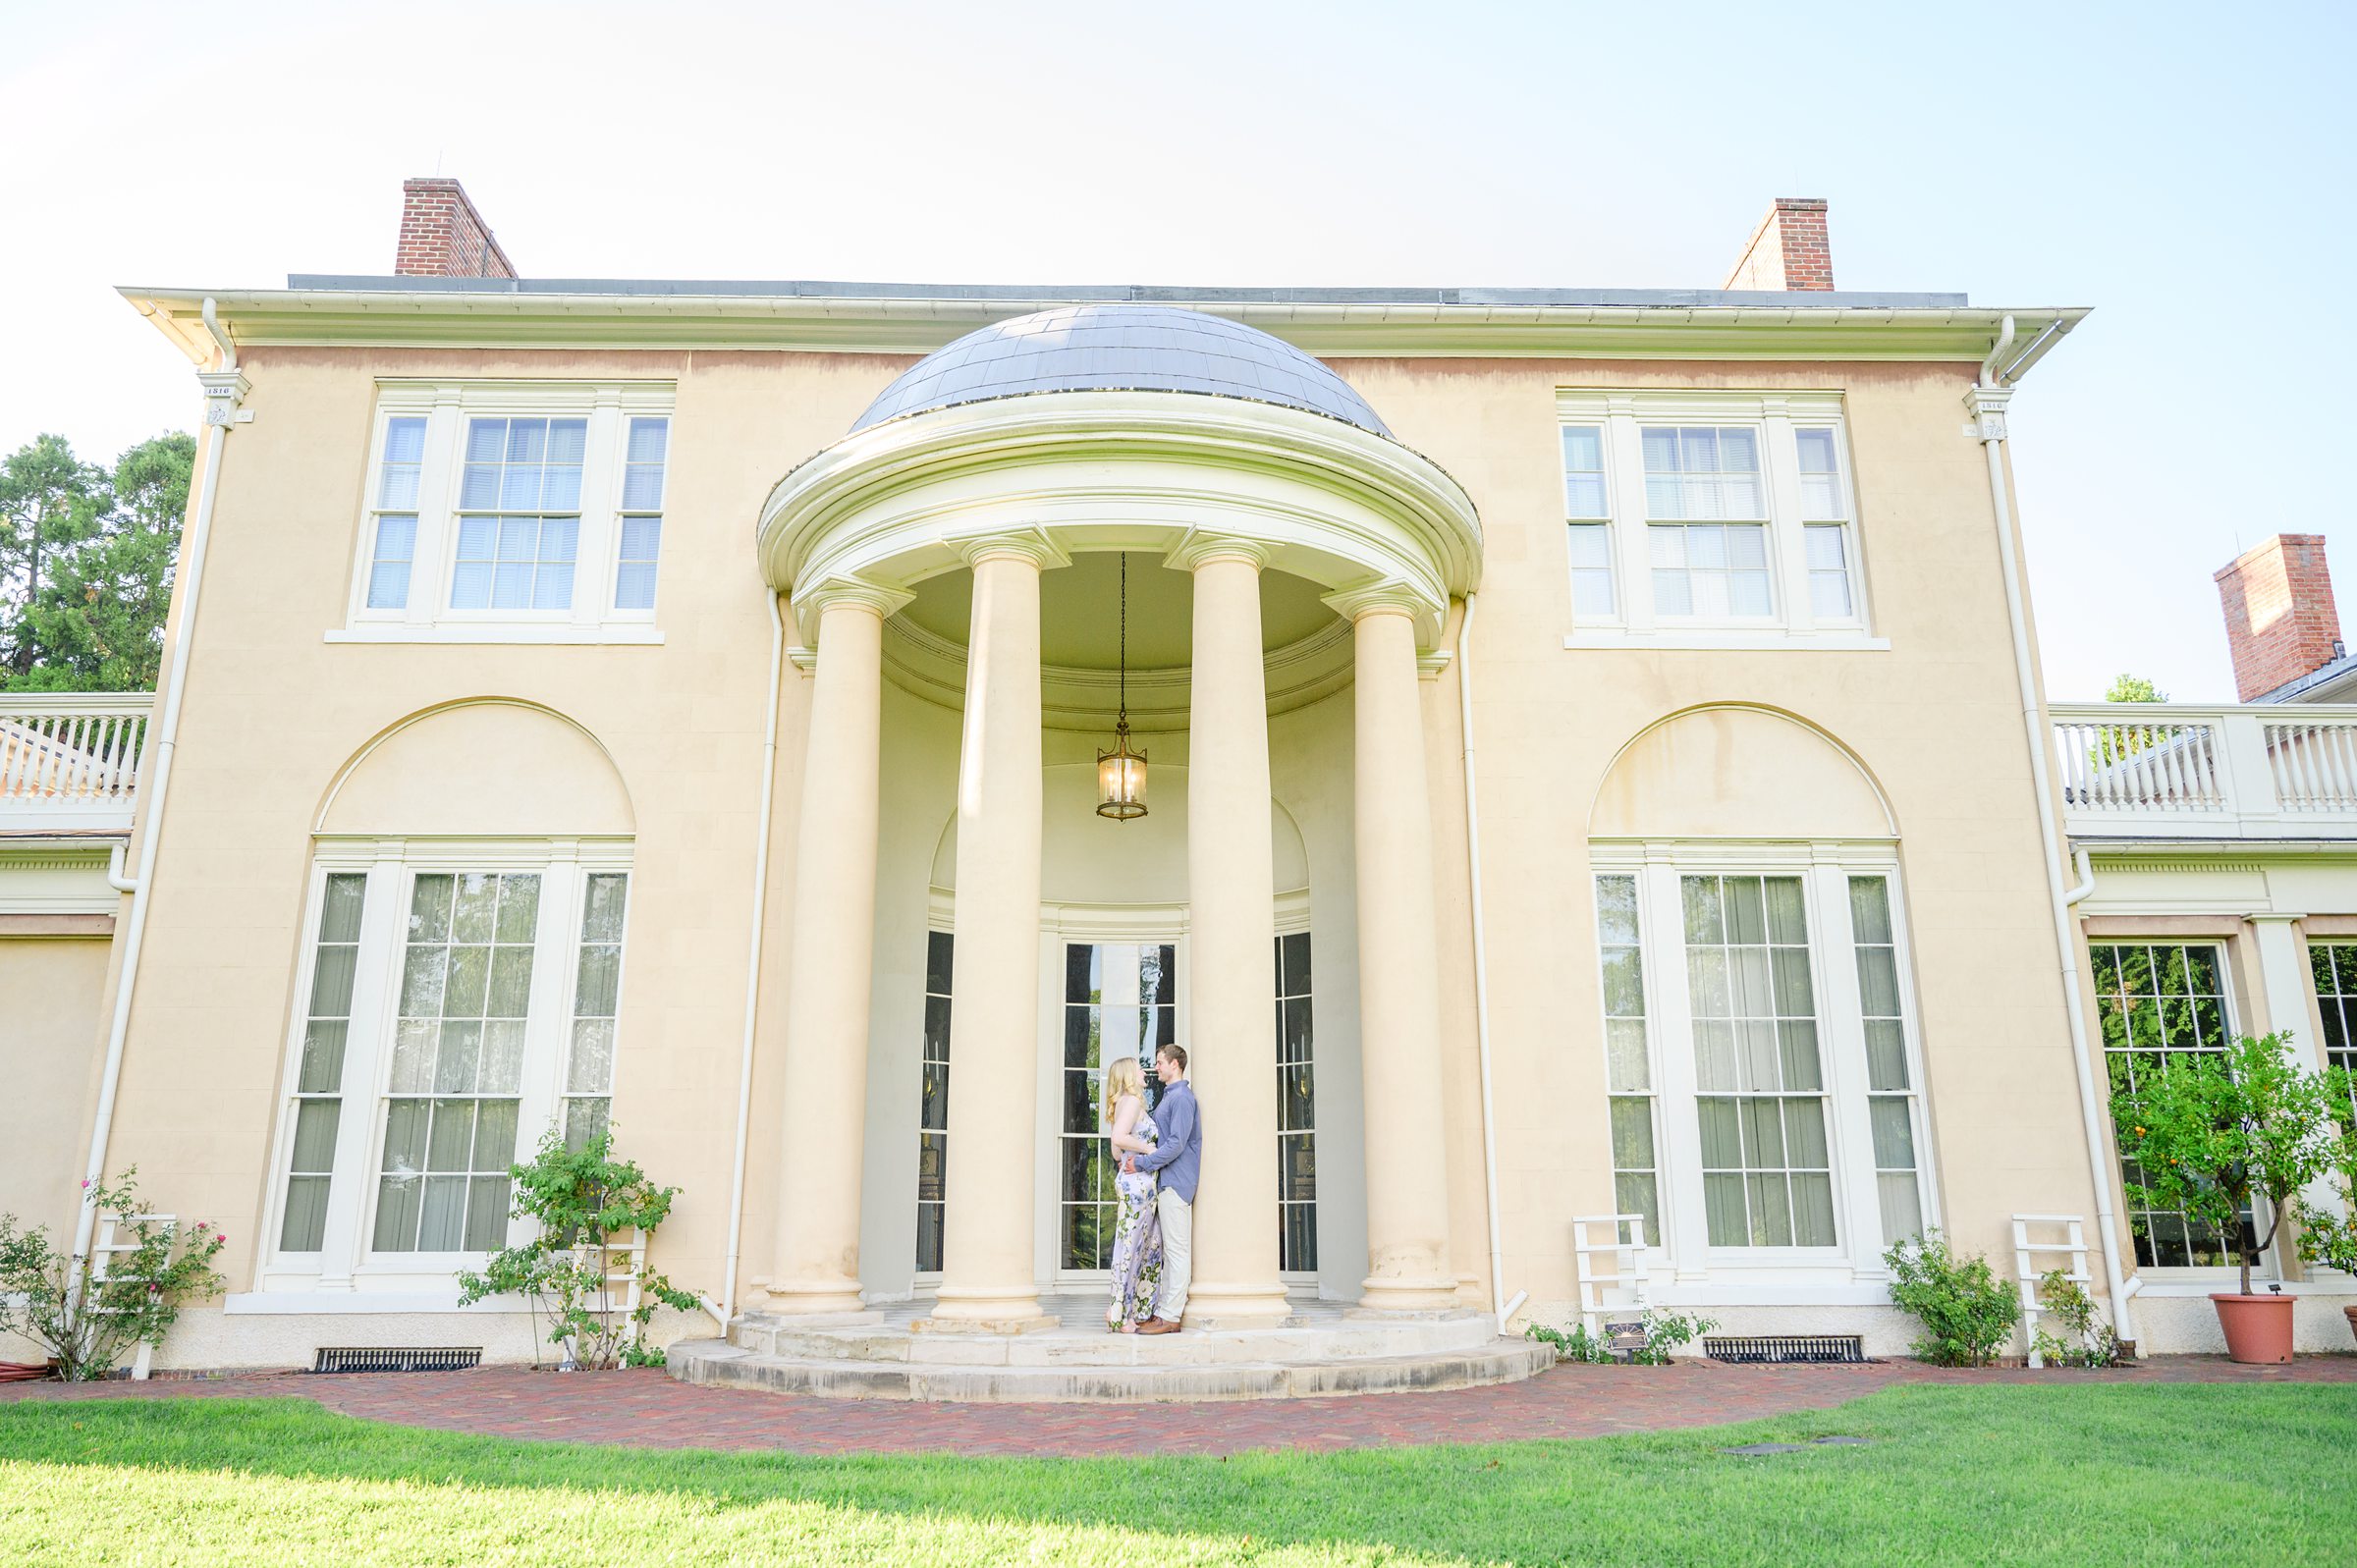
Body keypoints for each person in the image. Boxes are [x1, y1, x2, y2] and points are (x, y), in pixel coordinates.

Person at [1124, 1043, 1198, 1334]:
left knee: (1177, 1251)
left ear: (1175, 1065)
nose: (1156, 1067)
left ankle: (1171, 1317)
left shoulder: (1182, 1098)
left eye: (1160, 1062)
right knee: (1170, 1251)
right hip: (1166, 1180)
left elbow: (1177, 1143)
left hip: (1177, 1182)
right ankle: (1164, 1311)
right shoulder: (1171, 1097)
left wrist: (1142, 1163)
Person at [1101, 1055, 1162, 1332]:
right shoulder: (1132, 1101)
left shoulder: (1122, 1104)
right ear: (1128, 1074)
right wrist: (1149, 1150)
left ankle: (1128, 1311)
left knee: (1141, 1247)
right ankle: (1121, 1315)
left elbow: (1117, 1151)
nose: (1144, 1071)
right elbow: (1118, 1140)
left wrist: (1128, 1153)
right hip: (1137, 1185)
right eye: (1139, 1068)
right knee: (1131, 1249)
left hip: (1135, 1183)